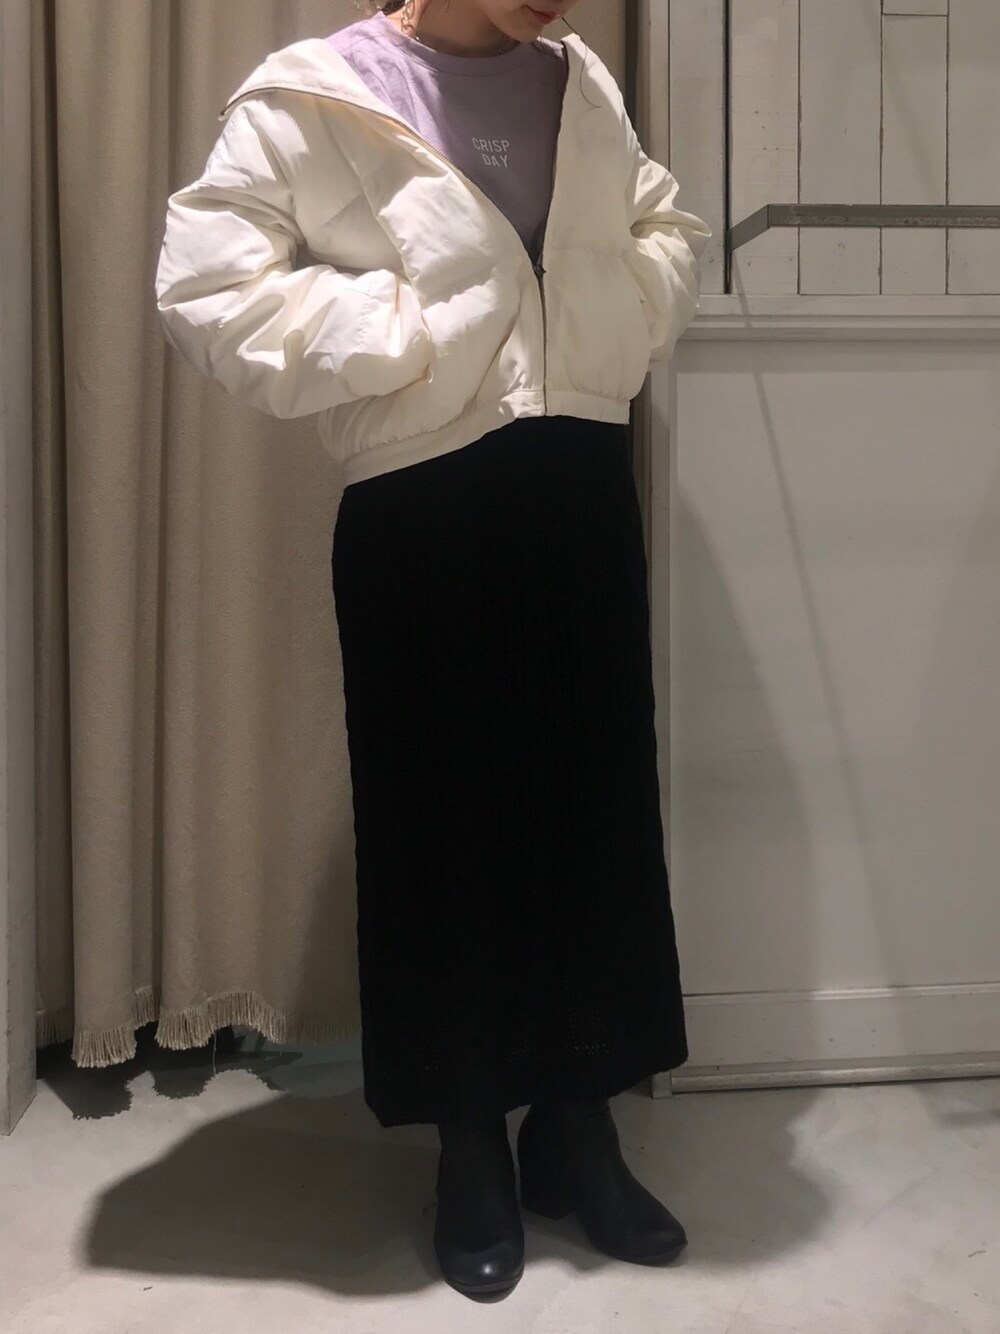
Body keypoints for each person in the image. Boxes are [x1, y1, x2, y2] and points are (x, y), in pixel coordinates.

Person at [154, 0, 712, 1301]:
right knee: (443, 823)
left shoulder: (580, 85)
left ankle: (577, 1124)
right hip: (424, 505)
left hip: (579, 486)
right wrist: (407, 331)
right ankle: (471, 1141)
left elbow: (664, 230)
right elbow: (205, 286)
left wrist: (613, 313)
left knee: (592, 815)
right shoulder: (319, 91)